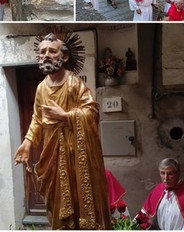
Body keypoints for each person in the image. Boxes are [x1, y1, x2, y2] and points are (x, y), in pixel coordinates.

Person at [13, 33, 111, 230]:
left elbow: (91, 111)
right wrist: (27, 142)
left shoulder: (74, 83)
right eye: (42, 52)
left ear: (64, 57)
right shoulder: (41, 88)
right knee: (55, 199)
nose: (46, 55)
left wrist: (66, 116)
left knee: (78, 193)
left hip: (76, 153)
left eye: (52, 51)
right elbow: (37, 118)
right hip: (52, 153)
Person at [137, 158, 184, 230]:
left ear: (178, 173)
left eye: (170, 173)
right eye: (162, 173)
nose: (165, 178)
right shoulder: (158, 189)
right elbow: (144, 215)